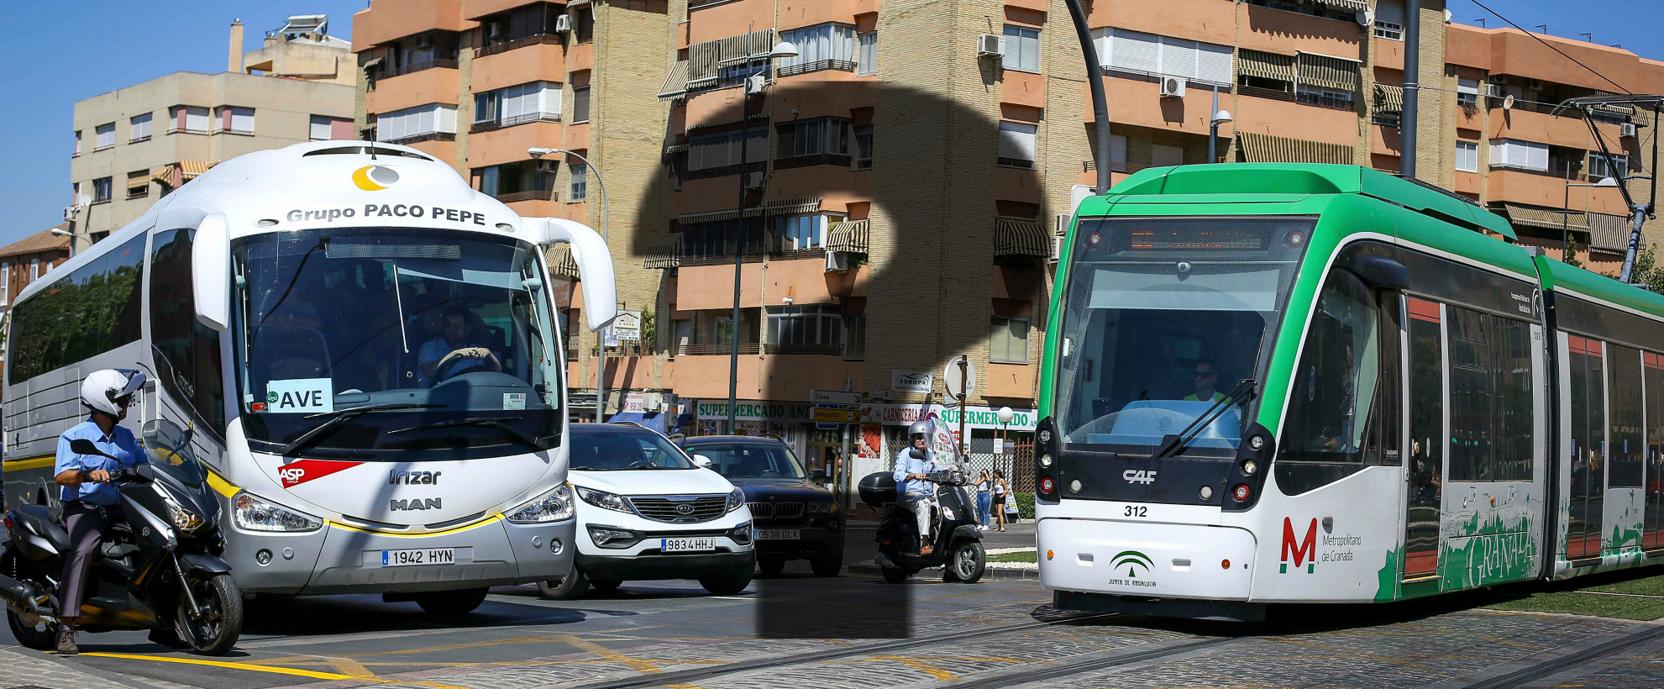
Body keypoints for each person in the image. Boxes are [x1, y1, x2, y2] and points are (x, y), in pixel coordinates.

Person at [51, 369, 147, 656]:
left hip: (121, 507)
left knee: (159, 540)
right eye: (123, 400)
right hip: (84, 508)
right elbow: (62, 476)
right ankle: (66, 626)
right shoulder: (74, 436)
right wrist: (89, 474)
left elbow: (145, 467)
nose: (127, 405)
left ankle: (164, 621)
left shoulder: (127, 437)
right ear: (105, 401)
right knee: (83, 550)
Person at [417, 304, 500, 386]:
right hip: (434, 397)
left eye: (457, 326)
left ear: (467, 329)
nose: (452, 329)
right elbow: (429, 373)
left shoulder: (475, 349)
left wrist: (489, 355)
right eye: (448, 325)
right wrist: (455, 354)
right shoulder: (430, 347)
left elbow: (497, 375)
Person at [892, 421, 938, 555]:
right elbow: (897, 474)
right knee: (924, 504)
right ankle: (924, 544)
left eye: (925, 437)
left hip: (928, 495)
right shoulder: (906, 453)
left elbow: (940, 467)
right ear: (912, 439)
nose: (922, 440)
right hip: (910, 495)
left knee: (945, 508)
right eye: (918, 437)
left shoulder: (931, 455)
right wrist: (912, 475)